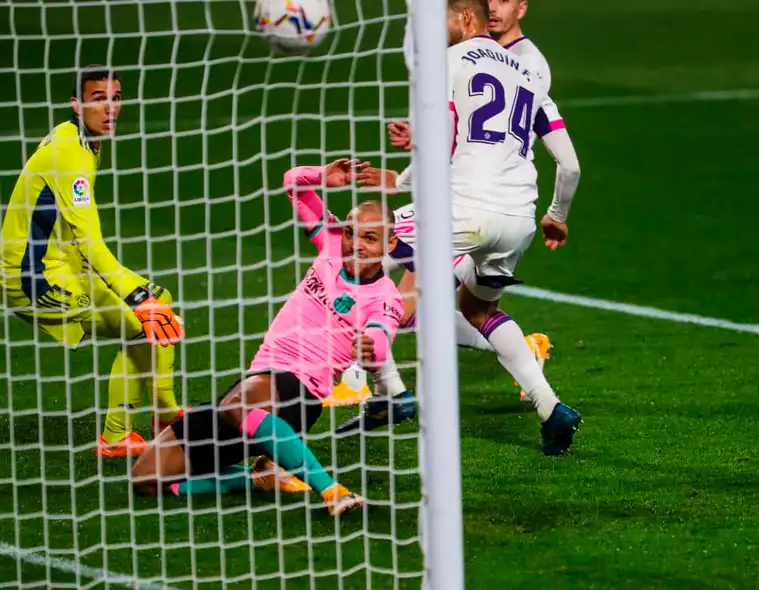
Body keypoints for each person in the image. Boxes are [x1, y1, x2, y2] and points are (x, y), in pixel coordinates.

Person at [345, 0, 581, 455]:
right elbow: (569, 166)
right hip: (518, 219)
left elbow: (444, 142)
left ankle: (385, 392)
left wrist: (406, 166)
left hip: (464, 209)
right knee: (477, 310)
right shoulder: (531, 77)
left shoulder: (449, 63)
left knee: (357, 252)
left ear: (464, 18)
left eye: (446, 20)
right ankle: (552, 409)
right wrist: (557, 216)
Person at [130, 160, 403, 516]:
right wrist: (323, 176)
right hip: (258, 381)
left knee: (237, 405)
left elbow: (380, 339)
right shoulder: (332, 245)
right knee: (145, 480)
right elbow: (294, 184)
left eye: (369, 238)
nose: (355, 244)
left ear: (390, 242)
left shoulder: (385, 297)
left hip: (300, 391)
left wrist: (370, 348)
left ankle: (332, 490)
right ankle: (258, 478)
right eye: (352, 232)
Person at [0, 65, 185, 457]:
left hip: (61, 264)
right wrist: (137, 296)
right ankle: (118, 437)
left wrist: (144, 296)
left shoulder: (82, 142)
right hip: (33, 279)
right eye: (99, 99)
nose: (111, 108)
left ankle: (164, 412)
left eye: (115, 98)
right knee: (140, 323)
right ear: (76, 104)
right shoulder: (69, 152)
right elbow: (90, 240)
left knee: (159, 304)